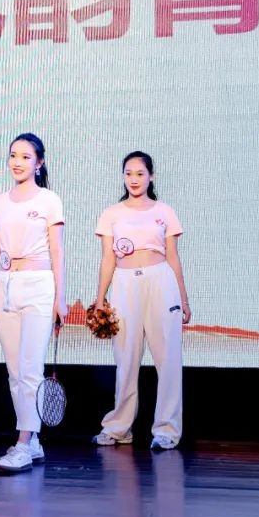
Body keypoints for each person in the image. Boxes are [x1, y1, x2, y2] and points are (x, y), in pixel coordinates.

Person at [0, 133, 67, 473]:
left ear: (39, 163)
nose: (17, 162)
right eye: (13, 155)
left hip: (40, 286)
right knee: (14, 371)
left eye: (25, 157)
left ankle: (23, 442)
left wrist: (61, 298)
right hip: (7, 285)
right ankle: (32, 439)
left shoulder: (49, 200)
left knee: (30, 368)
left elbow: (57, 251)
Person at [92, 151, 190, 451]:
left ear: (151, 176)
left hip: (161, 281)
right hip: (125, 283)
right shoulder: (111, 213)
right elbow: (108, 258)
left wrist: (184, 299)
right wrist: (100, 298)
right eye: (128, 173)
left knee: (168, 358)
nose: (133, 179)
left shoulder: (165, 211)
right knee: (125, 357)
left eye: (140, 173)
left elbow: (173, 257)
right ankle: (119, 428)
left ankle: (167, 430)